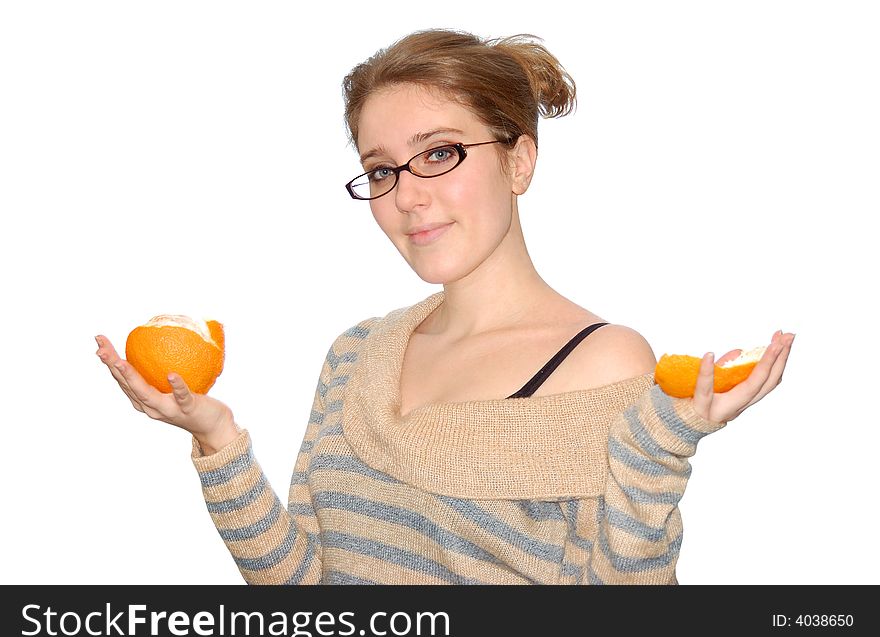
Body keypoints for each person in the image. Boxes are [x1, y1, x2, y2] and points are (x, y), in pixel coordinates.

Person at [95, 28, 794, 584]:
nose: (406, 195)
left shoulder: (604, 362)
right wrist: (217, 440)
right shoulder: (355, 353)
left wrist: (663, 445)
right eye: (381, 169)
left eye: (439, 154)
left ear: (518, 161)